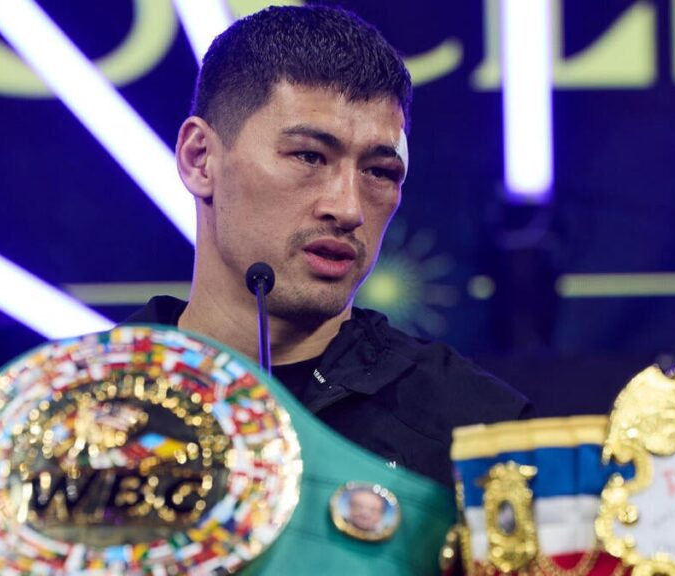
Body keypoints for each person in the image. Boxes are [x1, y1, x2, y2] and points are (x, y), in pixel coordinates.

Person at [128, 5, 532, 489]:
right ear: (200, 160)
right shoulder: (77, 406)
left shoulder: (478, 435)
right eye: (309, 156)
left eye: (379, 171)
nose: (348, 209)